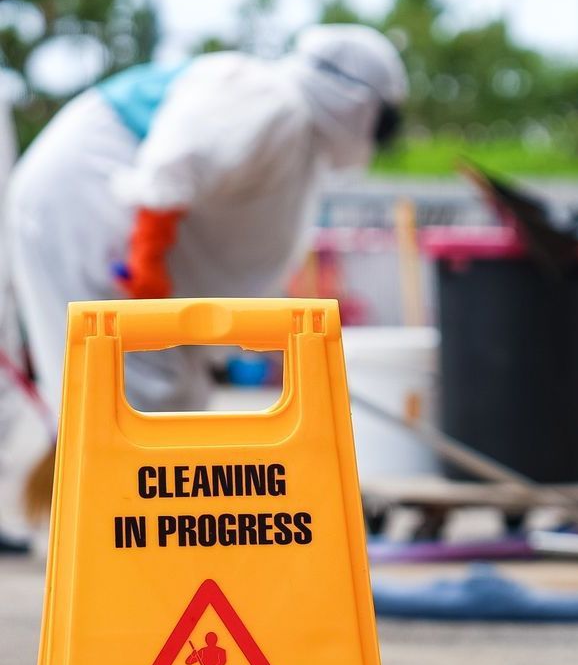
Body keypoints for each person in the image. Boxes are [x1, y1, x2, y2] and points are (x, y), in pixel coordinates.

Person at [7, 24, 408, 415]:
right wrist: (146, 267)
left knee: (162, 402)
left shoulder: (298, 134)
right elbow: (175, 166)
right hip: (87, 205)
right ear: (357, 101)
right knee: (134, 404)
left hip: (95, 214)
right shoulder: (269, 98)